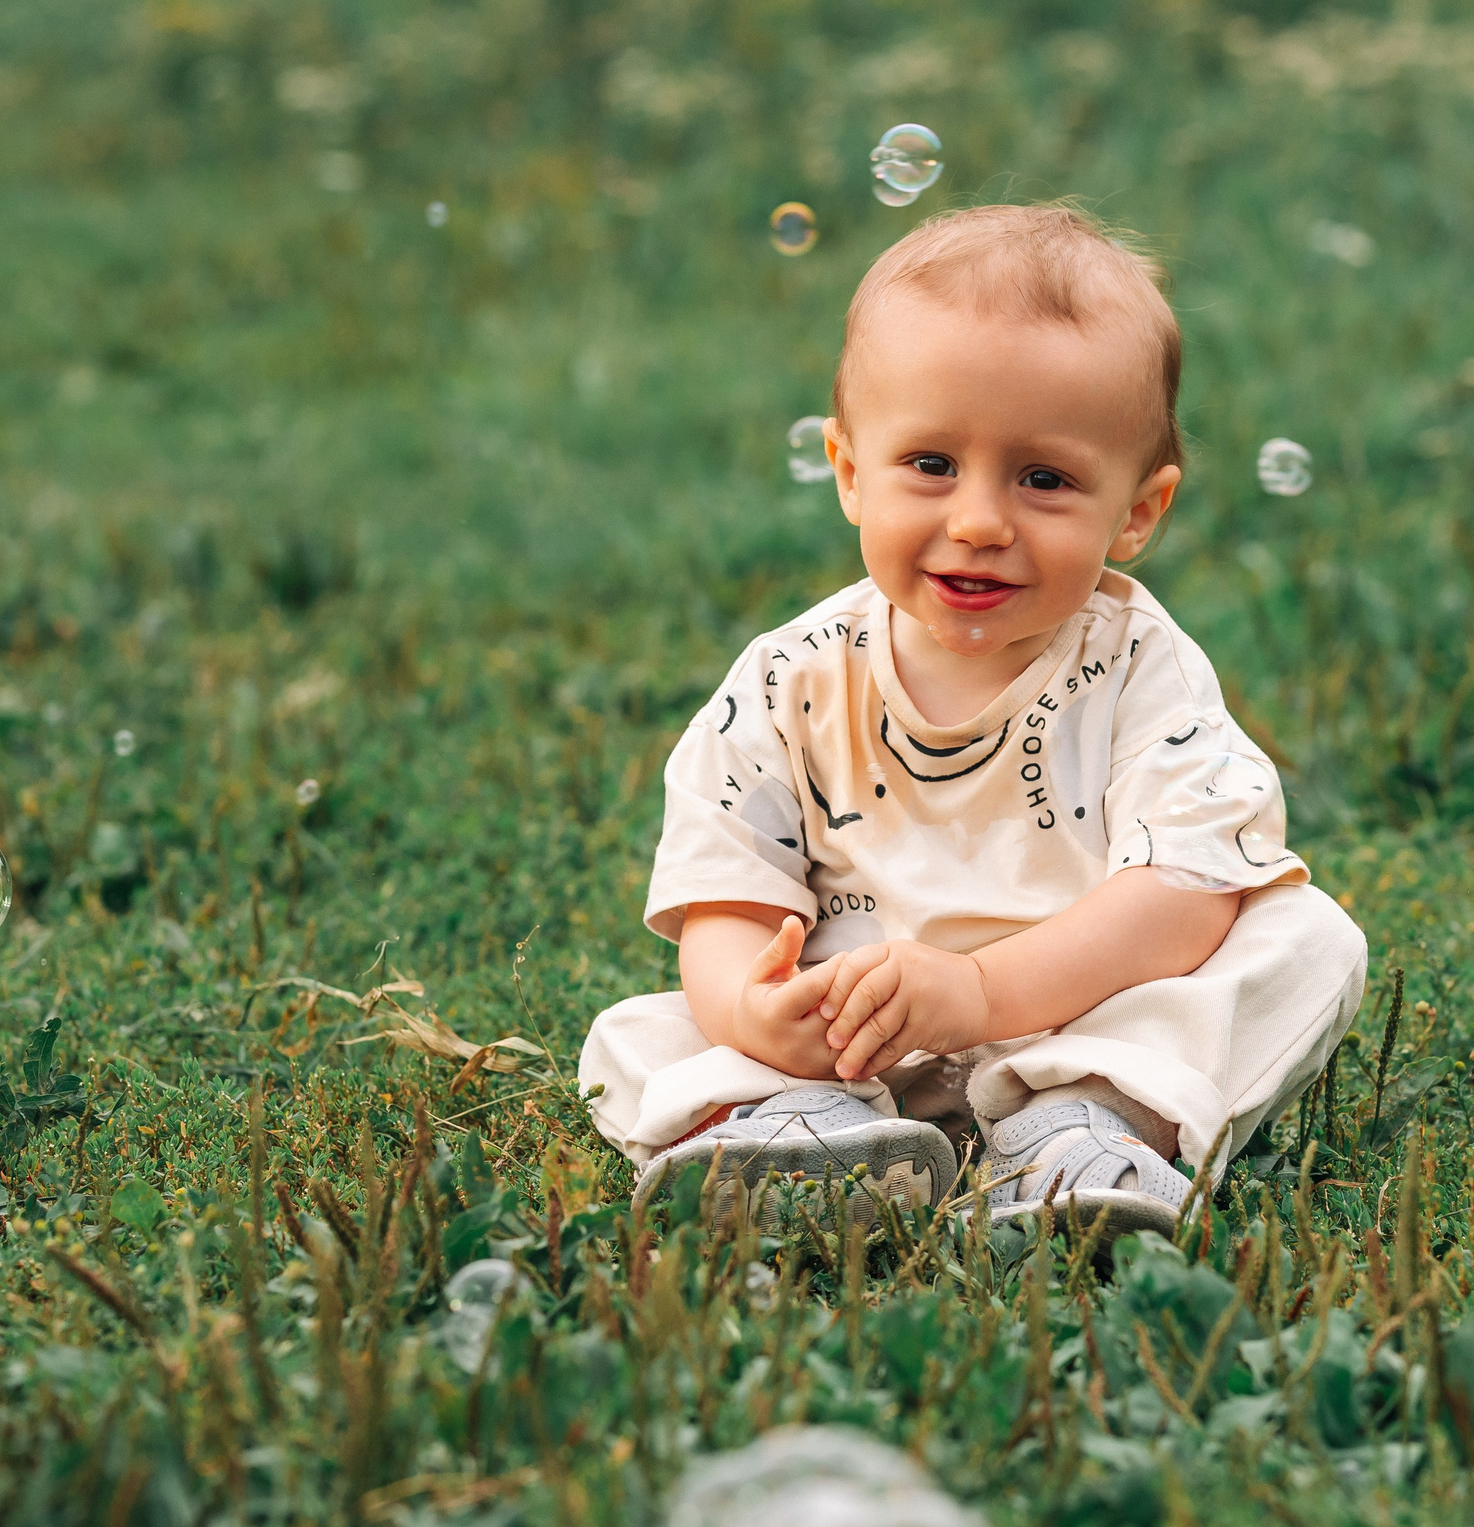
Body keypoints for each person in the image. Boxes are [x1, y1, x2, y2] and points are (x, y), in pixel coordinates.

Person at [579, 203, 1366, 1233]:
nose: (980, 520)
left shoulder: (1139, 671)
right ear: (852, 470)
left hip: (1076, 1025)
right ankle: (796, 1127)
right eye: (931, 465)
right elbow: (729, 896)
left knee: (1304, 938)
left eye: (1043, 479)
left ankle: (1083, 1136)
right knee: (641, 1032)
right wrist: (759, 1016)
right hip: (851, 1034)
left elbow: (1185, 892)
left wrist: (983, 993)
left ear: (1138, 509)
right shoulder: (788, 680)